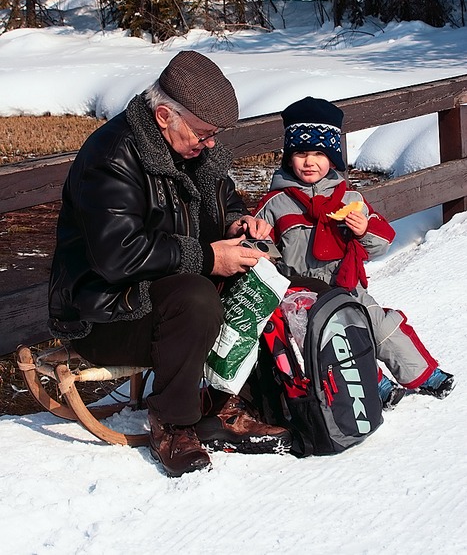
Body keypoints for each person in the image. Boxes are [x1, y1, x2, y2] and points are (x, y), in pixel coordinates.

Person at [48, 50, 291, 478]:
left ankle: (224, 403)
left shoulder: (192, 148)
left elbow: (223, 198)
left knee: (261, 280)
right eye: (204, 133)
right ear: (164, 115)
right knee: (197, 297)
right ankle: (174, 424)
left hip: (161, 292)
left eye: (214, 134)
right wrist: (210, 257)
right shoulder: (111, 156)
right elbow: (117, 255)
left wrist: (238, 222)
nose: (211, 143)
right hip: (105, 313)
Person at [254, 96, 455, 408]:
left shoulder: (349, 198)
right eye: (301, 153)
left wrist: (363, 230)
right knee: (336, 340)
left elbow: (381, 243)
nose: (309, 162)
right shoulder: (275, 204)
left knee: (381, 324)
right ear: (288, 158)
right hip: (303, 298)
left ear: (332, 157)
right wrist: (258, 241)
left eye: (318, 154)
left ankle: (423, 374)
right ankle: (378, 385)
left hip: (349, 287)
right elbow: (259, 250)